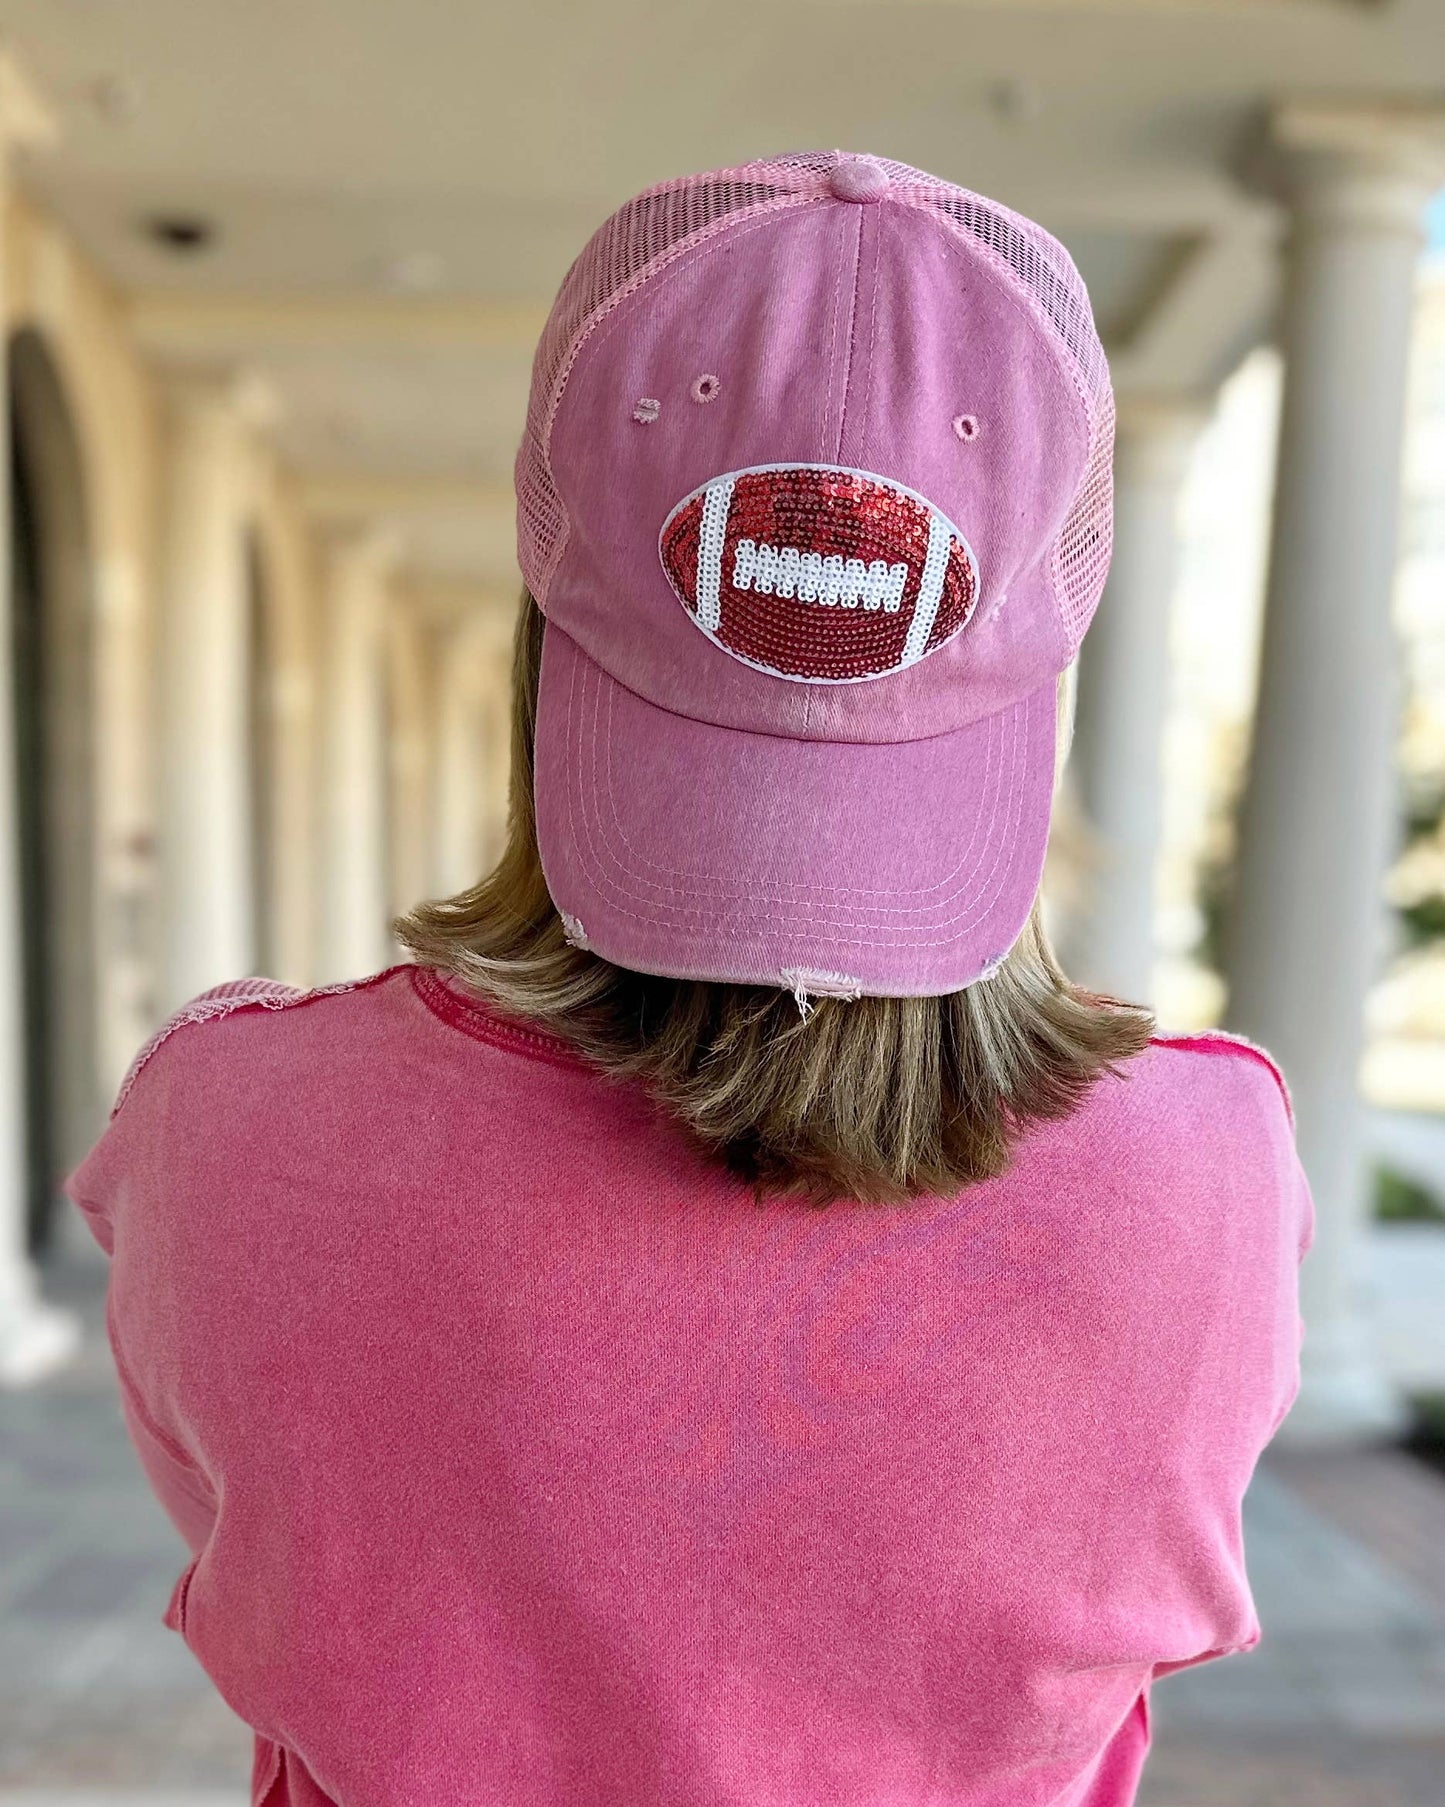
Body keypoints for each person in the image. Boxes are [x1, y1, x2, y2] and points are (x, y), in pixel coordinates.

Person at [69, 151, 1310, 1807]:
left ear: (545, 583)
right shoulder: (1208, 1175)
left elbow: (244, 1515)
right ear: (1048, 639)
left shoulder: (224, 1124)